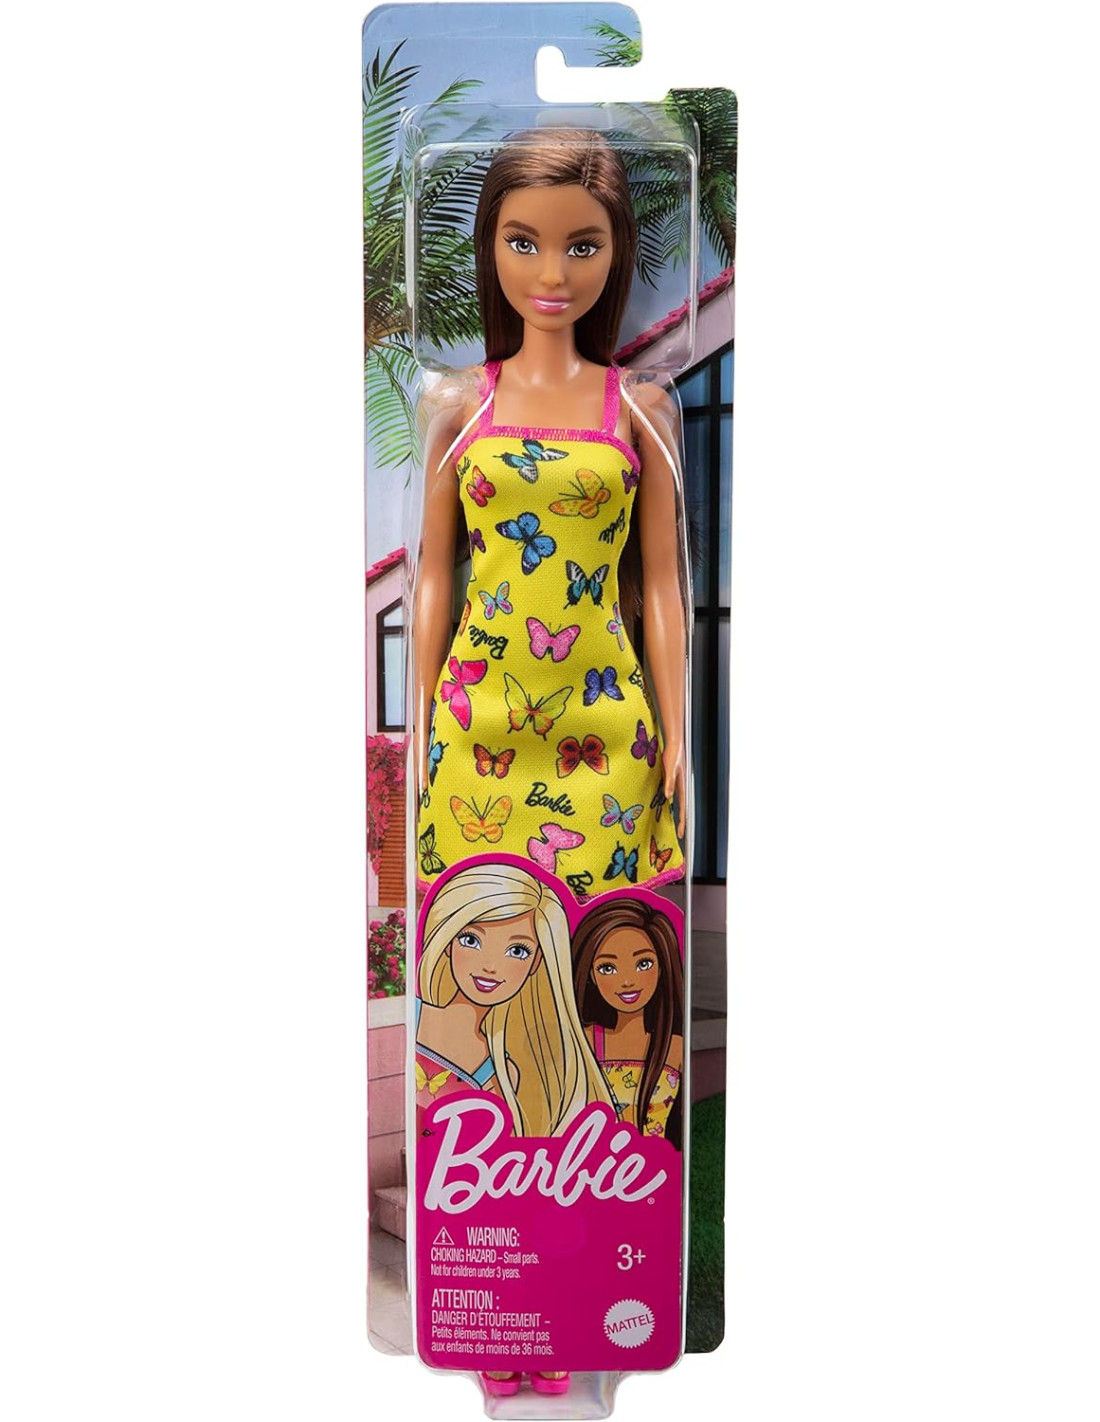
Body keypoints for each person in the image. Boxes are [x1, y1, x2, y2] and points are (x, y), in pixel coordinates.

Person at [412, 128, 689, 901]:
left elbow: (663, 587)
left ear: (617, 252)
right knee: (483, 930)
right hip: (479, 717)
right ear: (490, 244)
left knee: (603, 932)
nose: (552, 274)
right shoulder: (458, 405)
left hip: (604, 722)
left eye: (583, 246)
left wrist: (678, 735)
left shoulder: (640, 407)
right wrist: (421, 715)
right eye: (524, 242)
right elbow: (431, 575)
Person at [571, 896, 684, 1149]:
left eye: (644, 964)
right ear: (590, 974)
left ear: (662, 966)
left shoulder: (675, 1048)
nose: (627, 981)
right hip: (592, 1166)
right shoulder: (583, 1043)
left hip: (656, 1167)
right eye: (607, 968)